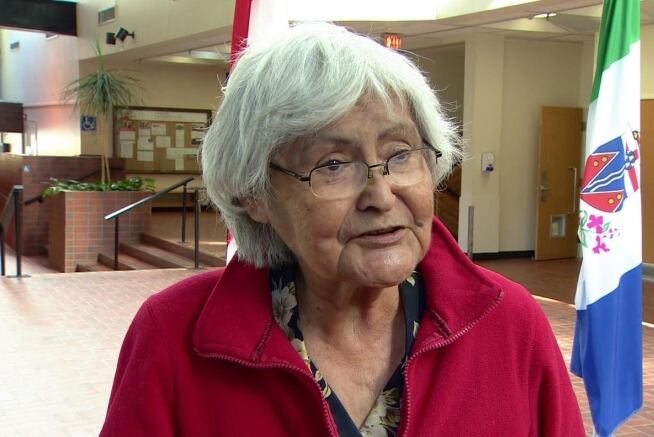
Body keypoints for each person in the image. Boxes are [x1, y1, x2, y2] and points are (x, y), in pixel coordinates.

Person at [100, 23, 585, 437]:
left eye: (400, 153)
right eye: (333, 164)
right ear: (255, 194)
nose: (380, 193)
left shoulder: (509, 324)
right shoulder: (172, 336)